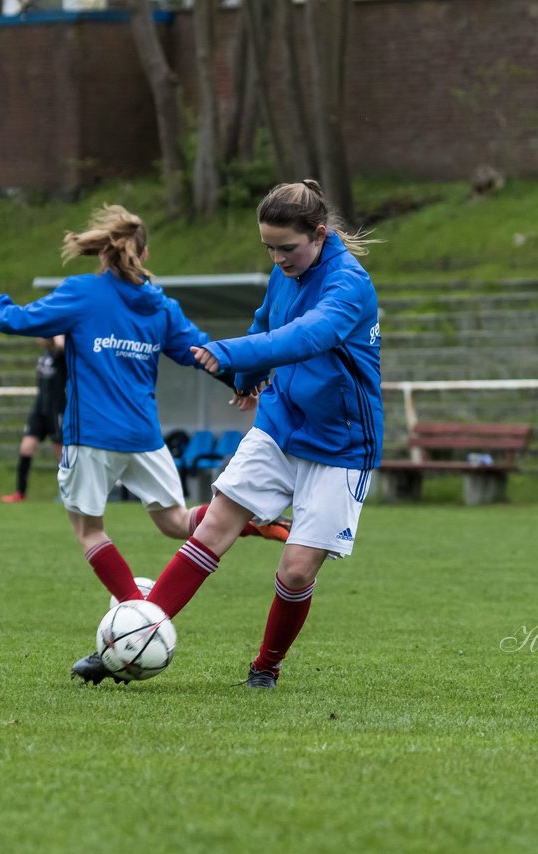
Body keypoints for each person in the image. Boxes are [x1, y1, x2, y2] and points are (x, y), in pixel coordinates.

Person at [0, 204, 290, 681]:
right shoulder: (159, 304)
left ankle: (138, 621)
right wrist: (242, 382)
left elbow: (13, 321)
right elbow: (201, 354)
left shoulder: (83, 293)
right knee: (176, 522)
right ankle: (247, 524)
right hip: (143, 436)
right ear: (146, 252)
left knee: (90, 530)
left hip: (91, 435)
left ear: (105, 254)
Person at [128, 179, 384, 690]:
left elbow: (310, 335)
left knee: (295, 573)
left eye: (286, 248)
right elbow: (267, 319)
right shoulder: (284, 270)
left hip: (341, 444)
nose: (278, 258)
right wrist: (247, 380)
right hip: (280, 422)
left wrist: (234, 354)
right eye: (268, 247)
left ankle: (265, 668)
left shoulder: (348, 285)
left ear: (318, 234)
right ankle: (131, 640)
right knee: (213, 528)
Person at [2, 335, 68, 503]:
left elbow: (61, 344)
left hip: (57, 406)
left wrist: (57, 335)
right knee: (26, 448)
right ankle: (20, 492)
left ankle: (67, 492)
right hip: (40, 406)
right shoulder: (45, 355)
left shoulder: (62, 355)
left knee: (60, 453)